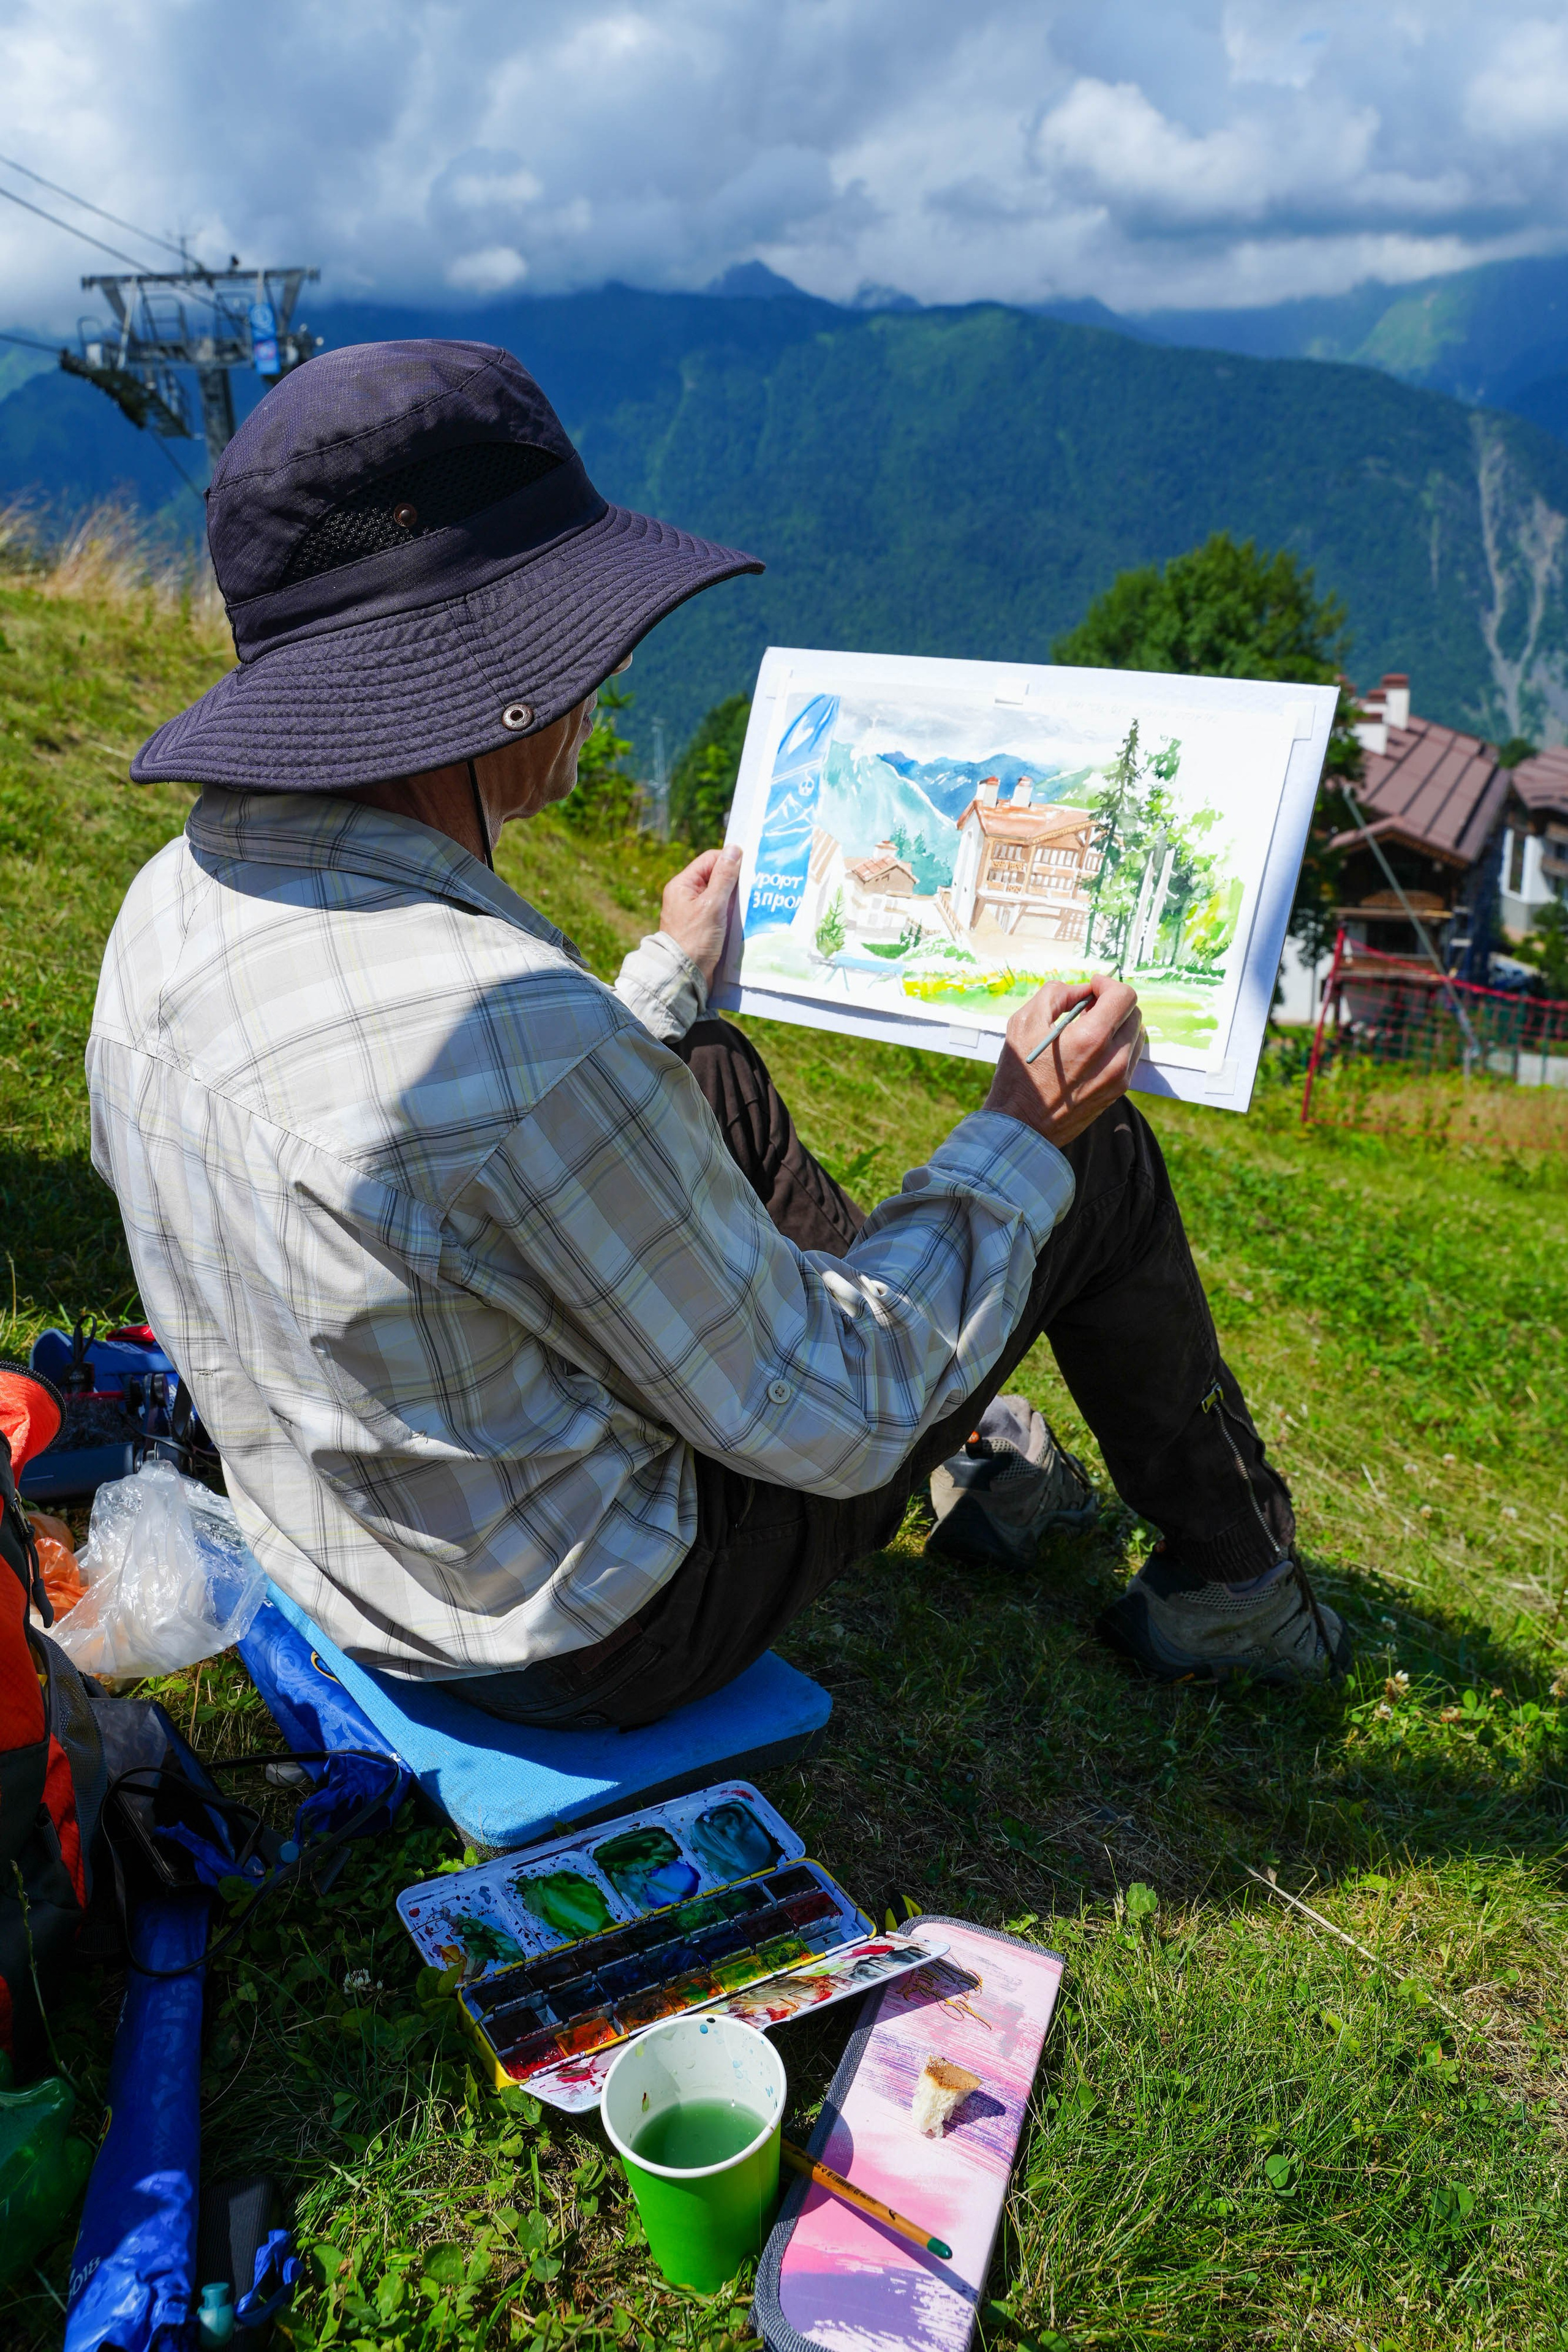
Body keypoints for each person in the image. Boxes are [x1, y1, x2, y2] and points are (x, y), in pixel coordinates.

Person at [87, 339, 1348, 1729]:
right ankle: (1235, 1584)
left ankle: (973, 1439)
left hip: (360, 1553)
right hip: (588, 1635)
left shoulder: (169, 905)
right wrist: (1020, 1130)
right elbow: (843, 1412)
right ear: (489, 673)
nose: (604, 665)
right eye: (570, 628)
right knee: (1084, 1163)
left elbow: (469, 1153)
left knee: (700, 1069)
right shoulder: (521, 1049)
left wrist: (667, 976)